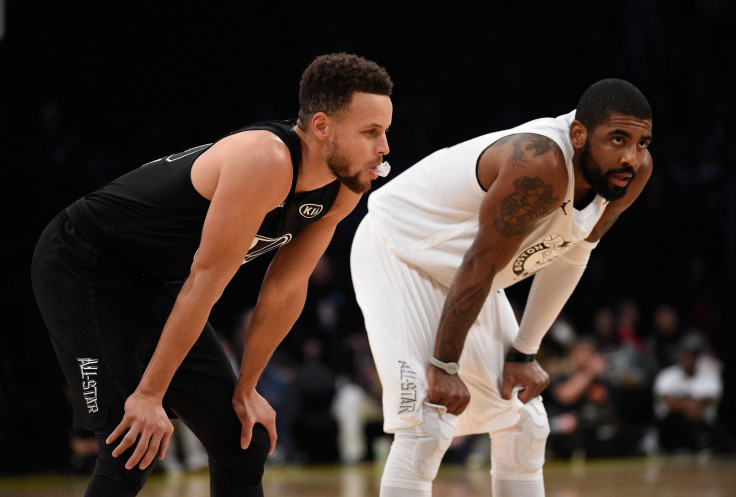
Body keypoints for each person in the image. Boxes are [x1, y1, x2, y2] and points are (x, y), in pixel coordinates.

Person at [31, 52, 393, 496]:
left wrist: (247, 388)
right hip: (83, 262)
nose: (384, 148)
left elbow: (284, 289)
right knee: (132, 439)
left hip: (158, 284)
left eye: (385, 132)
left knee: (244, 440)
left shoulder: (343, 190)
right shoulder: (266, 159)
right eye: (370, 132)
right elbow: (206, 281)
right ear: (322, 126)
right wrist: (149, 395)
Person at [350, 78, 653, 497]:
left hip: (467, 275)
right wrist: (445, 364)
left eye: (641, 143)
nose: (631, 157)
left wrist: (524, 353)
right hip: (399, 252)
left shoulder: (629, 175)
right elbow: (481, 263)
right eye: (617, 139)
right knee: (428, 423)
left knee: (524, 422)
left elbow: (571, 255)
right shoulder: (541, 162)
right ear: (579, 135)